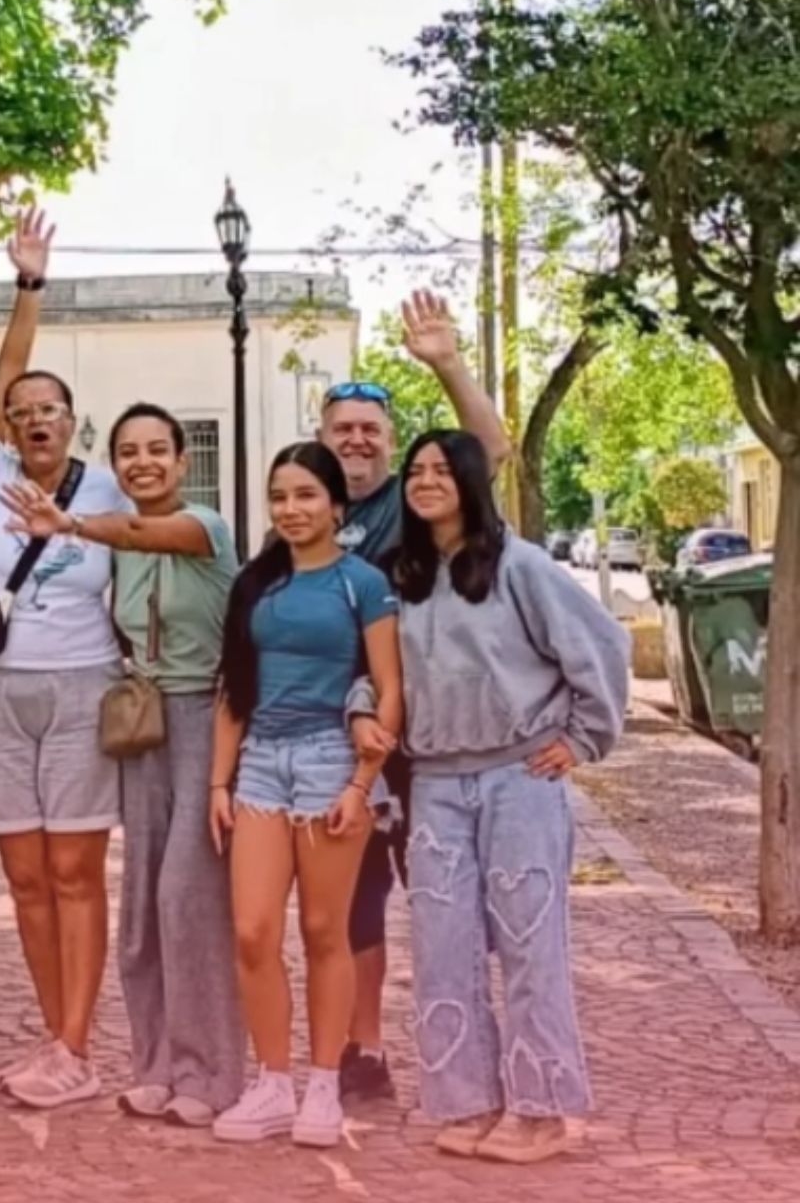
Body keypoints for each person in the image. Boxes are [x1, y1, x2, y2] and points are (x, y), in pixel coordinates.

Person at [3, 405, 243, 1126]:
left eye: (156, 451)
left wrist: (70, 525)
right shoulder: (121, 548)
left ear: (181, 463)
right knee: (141, 904)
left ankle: (211, 1077)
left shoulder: (206, 528)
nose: (143, 463)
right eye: (128, 452)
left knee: (189, 900)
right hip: (142, 722)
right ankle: (156, 1067)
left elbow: (141, 530)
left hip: (204, 718)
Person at [394, 429, 626, 1164]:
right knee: (441, 949)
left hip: (519, 779)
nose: (427, 480)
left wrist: (585, 738)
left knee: (530, 948)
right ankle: (466, 1101)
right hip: (434, 784)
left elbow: (603, 645)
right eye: (416, 470)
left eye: (442, 469)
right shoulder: (401, 575)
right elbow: (382, 673)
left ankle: (541, 1110)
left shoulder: (520, 566)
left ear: (470, 480)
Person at [0, 209, 131, 1107]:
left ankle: (76, 1042)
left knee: (74, 871)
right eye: (20, 413)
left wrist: (33, 285)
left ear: (71, 419)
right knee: (22, 875)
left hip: (81, 686)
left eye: (48, 410)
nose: (33, 420)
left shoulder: (109, 486)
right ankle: (60, 1041)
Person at [318, 290, 511, 1103]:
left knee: (451, 899)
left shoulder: (416, 498)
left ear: (390, 444)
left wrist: (445, 362)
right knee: (358, 899)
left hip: (430, 742)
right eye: (342, 429)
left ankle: (473, 1051)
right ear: (322, 440)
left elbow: (490, 450)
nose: (356, 441)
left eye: (370, 430)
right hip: (350, 739)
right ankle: (365, 1050)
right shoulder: (305, 509)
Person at [207, 442, 402, 1149]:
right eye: (280, 497)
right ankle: (273, 1083)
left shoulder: (362, 584)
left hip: (330, 763)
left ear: (336, 507)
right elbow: (233, 686)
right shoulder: (256, 584)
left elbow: (389, 689)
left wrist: (361, 785)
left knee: (326, 931)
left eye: (306, 496)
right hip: (261, 761)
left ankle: (324, 1084)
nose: (292, 509)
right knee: (254, 931)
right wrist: (218, 782)